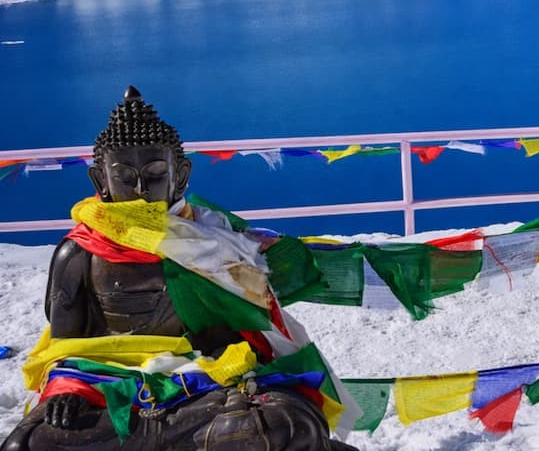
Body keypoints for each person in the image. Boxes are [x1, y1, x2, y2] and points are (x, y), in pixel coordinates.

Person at [2, 87, 359, 451]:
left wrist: (230, 364)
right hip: (109, 391)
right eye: (124, 176)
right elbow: (64, 348)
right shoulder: (79, 252)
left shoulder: (213, 244)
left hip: (199, 387)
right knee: (26, 445)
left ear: (181, 175)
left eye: (155, 173)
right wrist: (68, 391)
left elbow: (241, 333)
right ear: (100, 182)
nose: (141, 189)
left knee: (290, 424)